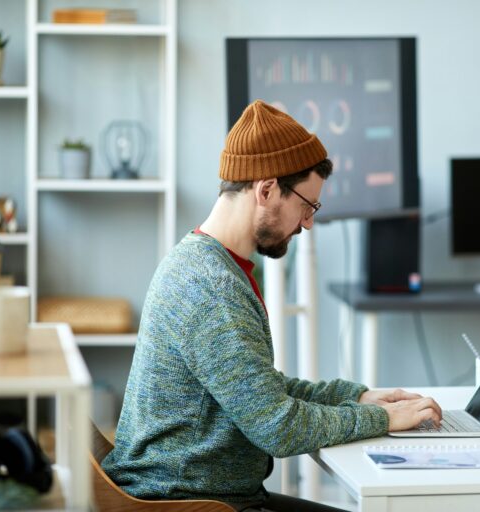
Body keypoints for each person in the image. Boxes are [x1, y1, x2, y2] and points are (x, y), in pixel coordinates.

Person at [102, 100, 443, 511]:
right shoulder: (210, 287)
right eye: (306, 206)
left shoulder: (212, 264)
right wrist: (385, 419)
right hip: (188, 503)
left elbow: (261, 390)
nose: (308, 223)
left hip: (207, 494)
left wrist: (357, 397)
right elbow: (277, 427)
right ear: (266, 189)